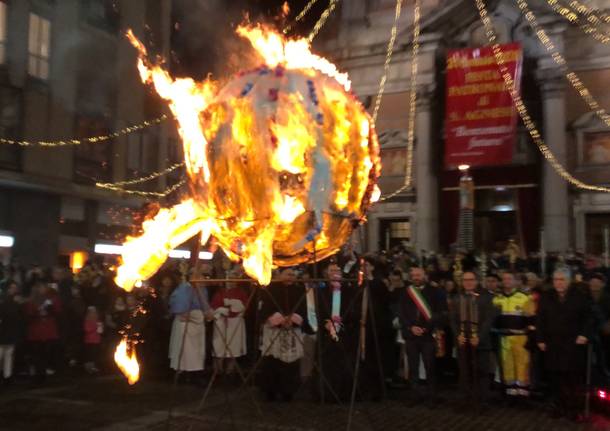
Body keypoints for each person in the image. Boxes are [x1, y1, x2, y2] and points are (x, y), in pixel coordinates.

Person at [537, 269, 591, 422]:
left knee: (572, 379)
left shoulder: (579, 297)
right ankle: (558, 407)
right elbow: (541, 319)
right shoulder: (546, 297)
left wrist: (584, 334)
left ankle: (573, 409)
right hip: (553, 344)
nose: (558, 283)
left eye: (562, 279)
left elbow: (588, 318)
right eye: (556, 280)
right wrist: (540, 339)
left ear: (568, 281)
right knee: (555, 379)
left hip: (572, 345)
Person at [393, 266, 447, 404]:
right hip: (411, 335)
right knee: (413, 367)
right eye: (414, 275)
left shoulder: (435, 291)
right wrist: (411, 327)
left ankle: (431, 397)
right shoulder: (406, 292)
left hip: (428, 336)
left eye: (419, 275)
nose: (416, 277)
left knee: (430, 367)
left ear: (424, 276)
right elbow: (401, 312)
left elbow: (440, 313)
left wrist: (426, 328)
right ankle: (414, 395)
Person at [259, 268, 307, 402]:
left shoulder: (298, 290)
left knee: (291, 363)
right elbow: (266, 307)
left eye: (292, 275)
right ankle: (271, 392)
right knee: (272, 361)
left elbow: (303, 307)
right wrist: (279, 320)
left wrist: (292, 319)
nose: (290, 277)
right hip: (274, 330)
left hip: (292, 330)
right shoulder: (270, 289)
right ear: (279, 275)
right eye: (287, 274)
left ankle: (288, 392)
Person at [450, 271, 496, 408]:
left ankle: (482, 400)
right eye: (465, 280)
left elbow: (489, 319)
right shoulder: (457, 297)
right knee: (464, 372)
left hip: (481, 342)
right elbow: (452, 320)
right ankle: (466, 399)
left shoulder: (486, 297)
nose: (468, 282)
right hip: (463, 341)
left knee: (482, 371)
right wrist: (458, 335)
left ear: (476, 281)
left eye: (471, 279)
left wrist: (479, 337)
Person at [493, 271, 535, 398]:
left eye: (509, 278)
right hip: (503, 338)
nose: (506, 281)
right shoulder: (497, 299)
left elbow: (531, 319)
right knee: (507, 367)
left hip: (520, 337)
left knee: (522, 366)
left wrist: (529, 334)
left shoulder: (525, 298)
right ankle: (510, 393)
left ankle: (522, 395)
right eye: (504, 279)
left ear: (515, 281)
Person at [168, 276, 212, 380]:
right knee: (183, 351)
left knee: (197, 352)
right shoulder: (184, 288)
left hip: (198, 324)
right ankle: (182, 375)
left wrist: (206, 313)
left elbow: (205, 307)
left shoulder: (203, 290)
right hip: (185, 324)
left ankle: (195, 375)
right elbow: (179, 310)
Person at [210, 270, 248, 378]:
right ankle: (217, 372)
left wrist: (233, 306)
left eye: (233, 279)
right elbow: (214, 306)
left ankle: (230, 372)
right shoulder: (219, 292)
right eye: (229, 278)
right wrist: (221, 310)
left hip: (235, 323)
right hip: (221, 322)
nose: (231, 281)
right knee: (219, 346)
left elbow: (244, 307)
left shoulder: (241, 293)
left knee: (233, 348)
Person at [24, 282, 62, 383]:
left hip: (46, 331)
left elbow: (57, 312)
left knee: (44, 354)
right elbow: (28, 317)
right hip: (37, 332)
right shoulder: (31, 302)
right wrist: (38, 314)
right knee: (38, 355)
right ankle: (39, 375)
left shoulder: (48, 300)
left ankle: (42, 374)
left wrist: (49, 310)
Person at [0, 281, 23, 385]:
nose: (14, 290)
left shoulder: (11, 302)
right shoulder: (10, 302)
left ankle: (7, 376)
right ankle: (7, 376)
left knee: (7, 354)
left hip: (8, 331)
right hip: (6, 330)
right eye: (13, 288)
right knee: (5, 354)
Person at [83, 306, 103, 374]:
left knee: (95, 355)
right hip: (89, 340)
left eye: (94, 312)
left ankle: (93, 368)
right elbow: (87, 329)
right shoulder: (87, 320)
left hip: (97, 340)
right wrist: (95, 327)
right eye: (92, 312)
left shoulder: (97, 320)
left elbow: (100, 330)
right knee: (90, 355)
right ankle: (89, 368)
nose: (93, 313)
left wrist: (100, 328)